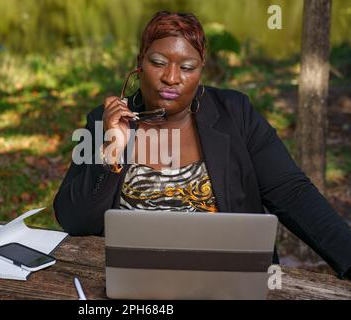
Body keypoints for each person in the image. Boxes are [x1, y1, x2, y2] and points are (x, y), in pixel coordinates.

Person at [53, 11, 351, 280]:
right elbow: (74, 220)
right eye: (158, 63)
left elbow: (292, 193)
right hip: (134, 277)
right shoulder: (105, 120)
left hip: (227, 277)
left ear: (201, 69)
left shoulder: (236, 114)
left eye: (187, 67)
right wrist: (112, 151)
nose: (171, 78)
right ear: (139, 63)